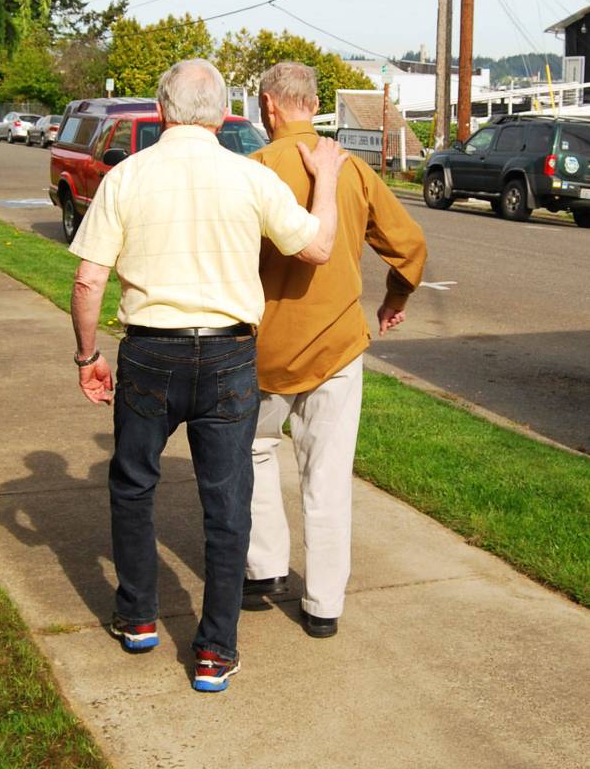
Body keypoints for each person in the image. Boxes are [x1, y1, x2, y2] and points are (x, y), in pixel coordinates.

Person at [69, 59, 348, 692]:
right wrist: (325, 178)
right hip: (227, 356)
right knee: (227, 501)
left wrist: (88, 357)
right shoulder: (248, 177)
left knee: (133, 485)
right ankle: (215, 650)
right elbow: (317, 247)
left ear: (162, 111)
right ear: (224, 114)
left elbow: (89, 277)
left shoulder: (127, 176)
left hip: (148, 352)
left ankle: (138, 617)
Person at [242, 61, 427, 638]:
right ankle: (324, 605)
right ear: (312, 102)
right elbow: (408, 243)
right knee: (327, 477)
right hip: (340, 346)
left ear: (270, 106)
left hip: (264, 351)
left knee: (252, 452)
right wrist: (396, 295)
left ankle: (263, 569)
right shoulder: (352, 170)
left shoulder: (254, 170)